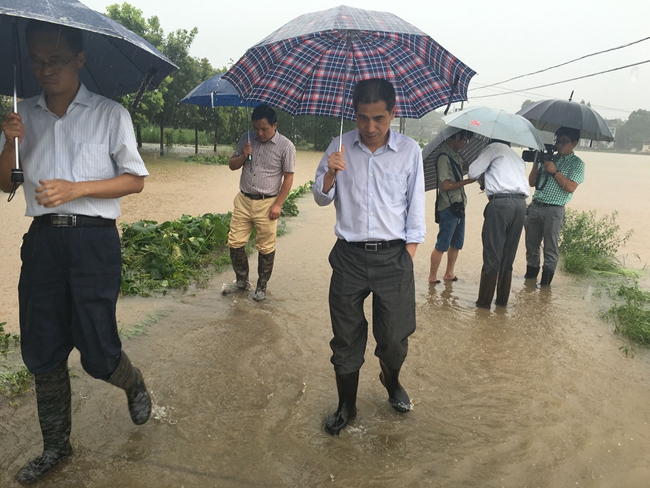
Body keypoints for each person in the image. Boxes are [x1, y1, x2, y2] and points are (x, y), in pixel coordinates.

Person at [0, 21, 151, 485]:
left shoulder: (110, 114)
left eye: (56, 61)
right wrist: (10, 142)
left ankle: (132, 381)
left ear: (80, 60)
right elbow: (6, 184)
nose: (45, 70)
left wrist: (75, 189)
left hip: (93, 243)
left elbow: (134, 179)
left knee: (98, 352)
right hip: (43, 243)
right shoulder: (21, 115)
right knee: (42, 351)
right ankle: (57, 448)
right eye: (37, 61)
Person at [313, 79, 425, 436]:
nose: (371, 128)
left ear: (393, 113)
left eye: (379, 118)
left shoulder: (410, 151)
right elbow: (320, 197)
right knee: (345, 337)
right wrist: (330, 172)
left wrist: (407, 255)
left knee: (394, 337)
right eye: (363, 118)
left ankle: (391, 381)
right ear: (354, 115)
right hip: (348, 256)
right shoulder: (339, 146)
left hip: (393, 256)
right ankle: (347, 405)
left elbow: (415, 210)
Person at [224, 104, 295, 301]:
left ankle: (261, 287)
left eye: (264, 129)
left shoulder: (286, 146)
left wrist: (278, 205)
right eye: (256, 128)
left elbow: (288, 178)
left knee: (265, 247)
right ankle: (242, 281)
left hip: (267, 202)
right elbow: (232, 165)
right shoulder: (247, 139)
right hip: (244, 200)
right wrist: (243, 155)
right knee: (235, 242)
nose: (259, 133)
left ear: (275, 125)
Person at [468, 140, 530, 308]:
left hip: (500, 205)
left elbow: (472, 172)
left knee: (492, 256)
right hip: (520, 206)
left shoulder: (493, 148)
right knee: (507, 259)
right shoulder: (517, 158)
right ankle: (501, 304)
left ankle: (483, 306)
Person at [524, 127, 585, 287]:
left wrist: (554, 171)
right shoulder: (550, 157)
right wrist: (538, 161)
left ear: (574, 143)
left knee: (550, 249)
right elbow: (531, 182)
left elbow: (571, 187)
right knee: (531, 246)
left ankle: (545, 286)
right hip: (536, 205)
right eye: (558, 141)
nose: (559, 145)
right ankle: (529, 281)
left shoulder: (577, 164)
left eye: (564, 142)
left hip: (554, 210)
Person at [428, 130, 477, 284]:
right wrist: (467, 182)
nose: (465, 144)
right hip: (448, 206)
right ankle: (432, 277)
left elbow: (462, 168)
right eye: (464, 140)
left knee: (457, 243)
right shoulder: (443, 156)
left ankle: (449, 273)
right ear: (457, 137)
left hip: (459, 204)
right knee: (442, 244)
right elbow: (446, 185)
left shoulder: (455, 154)